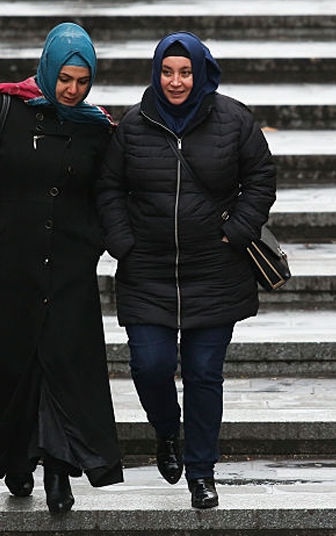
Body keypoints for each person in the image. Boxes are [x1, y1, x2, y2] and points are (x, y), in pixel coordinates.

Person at [0, 22, 122, 514]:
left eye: (82, 80)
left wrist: (95, 243)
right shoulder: (3, 108)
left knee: (60, 368)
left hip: (68, 271)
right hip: (9, 267)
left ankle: (58, 473)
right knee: (14, 366)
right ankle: (17, 461)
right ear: (48, 68)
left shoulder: (97, 127)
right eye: (65, 78)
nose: (72, 89)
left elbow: (108, 193)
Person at [96, 32, 276, 509]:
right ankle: (166, 432)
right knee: (149, 366)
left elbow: (261, 178)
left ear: (200, 73)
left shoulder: (234, 120)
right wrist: (121, 242)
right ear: (156, 72)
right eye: (167, 71)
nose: (176, 81)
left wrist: (237, 231)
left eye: (185, 71)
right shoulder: (133, 124)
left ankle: (201, 472)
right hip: (147, 270)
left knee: (202, 373)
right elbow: (109, 187)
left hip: (214, 272)